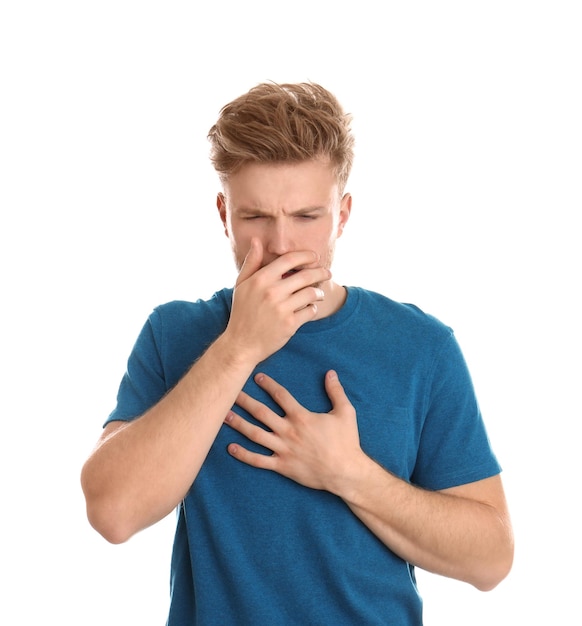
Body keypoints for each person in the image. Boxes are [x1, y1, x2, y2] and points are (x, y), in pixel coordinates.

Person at [81, 81, 514, 625]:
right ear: (223, 214)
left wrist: (349, 473)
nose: (282, 244)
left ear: (343, 214)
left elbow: (491, 559)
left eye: (307, 216)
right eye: (256, 217)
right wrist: (238, 347)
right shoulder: (176, 334)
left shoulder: (421, 347)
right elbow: (111, 512)